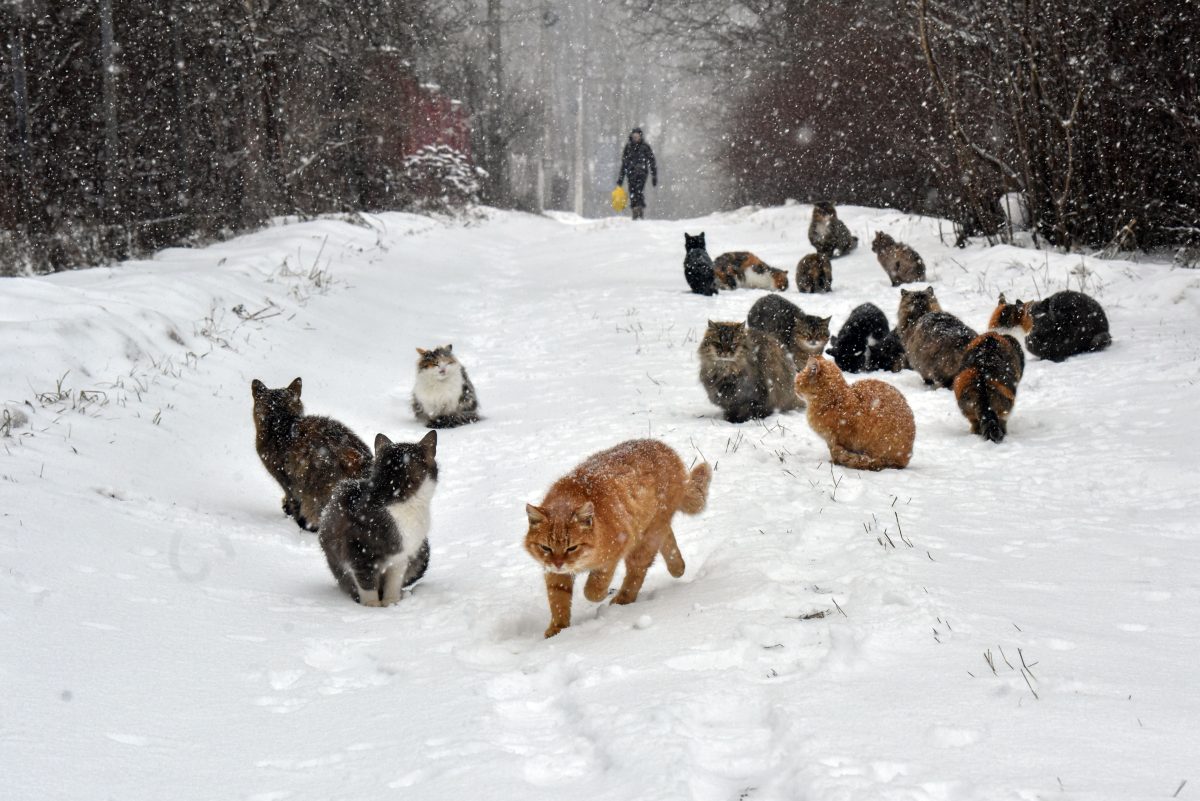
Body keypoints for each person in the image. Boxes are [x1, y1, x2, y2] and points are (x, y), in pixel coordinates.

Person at [617, 127, 657, 220]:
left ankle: (639, 209)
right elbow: (624, 163)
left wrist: (654, 175)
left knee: (639, 190)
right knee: (632, 191)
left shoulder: (645, 147)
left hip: (642, 173)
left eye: (637, 136)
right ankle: (635, 209)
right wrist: (621, 178)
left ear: (640, 136)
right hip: (631, 174)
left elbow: (652, 161)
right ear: (631, 136)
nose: (635, 138)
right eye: (634, 136)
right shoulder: (628, 147)